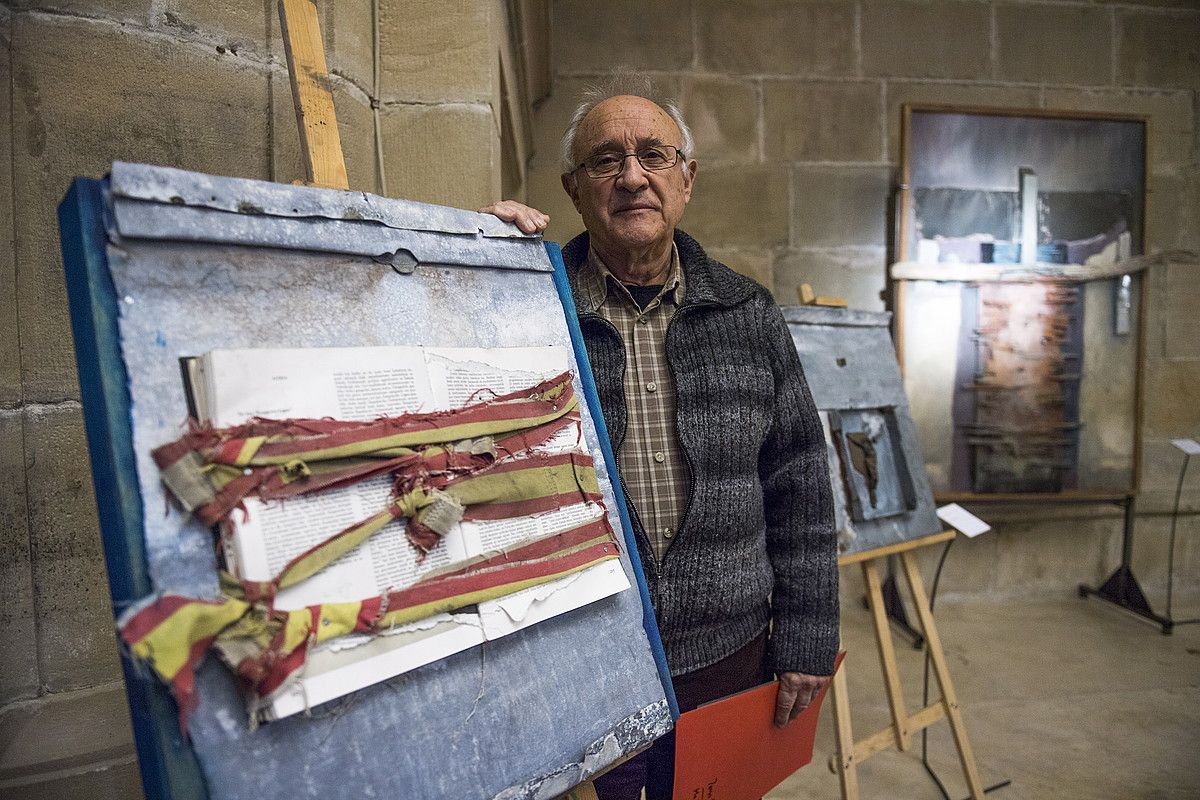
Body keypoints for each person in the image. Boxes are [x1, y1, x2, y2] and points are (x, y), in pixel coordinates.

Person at [482, 75, 838, 800]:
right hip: (584, 660)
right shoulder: (530, 306)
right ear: (574, 188)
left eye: (654, 155)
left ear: (687, 179)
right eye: (606, 160)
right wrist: (476, 259)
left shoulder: (747, 312)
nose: (633, 176)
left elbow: (800, 485)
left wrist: (805, 636)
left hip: (730, 656)